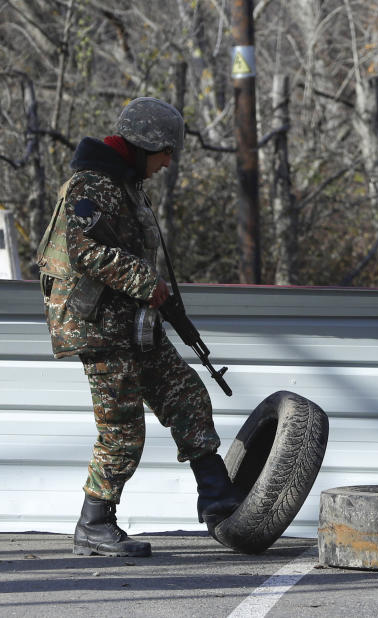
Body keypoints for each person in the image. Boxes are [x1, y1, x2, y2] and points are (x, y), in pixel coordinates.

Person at [35, 97, 241, 557]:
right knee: (123, 430)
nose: (168, 161)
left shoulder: (125, 185)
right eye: (166, 151)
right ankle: (93, 523)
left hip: (131, 324)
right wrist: (147, 283)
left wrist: (170, 307)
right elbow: (84, 250)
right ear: (145, 144)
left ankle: (217, 498)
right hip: (99, 328)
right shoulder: (92, 184)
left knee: (186, 396)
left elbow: (140, 258)